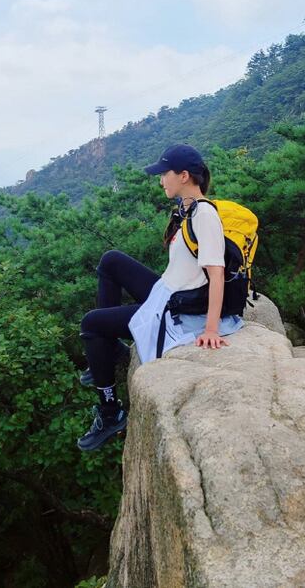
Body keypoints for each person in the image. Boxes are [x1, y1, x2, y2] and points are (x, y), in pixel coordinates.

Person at [76, 144, 244, 451]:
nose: (160, 180)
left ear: (184, 176)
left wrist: (211, 329)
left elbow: (216, 273)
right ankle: (112, 349)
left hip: (179, 307)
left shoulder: (204, 214)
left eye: (164, 174)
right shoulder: (187, 209)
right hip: (167, 292)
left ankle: (110, 412)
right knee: (111, 261)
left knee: (92, 324)